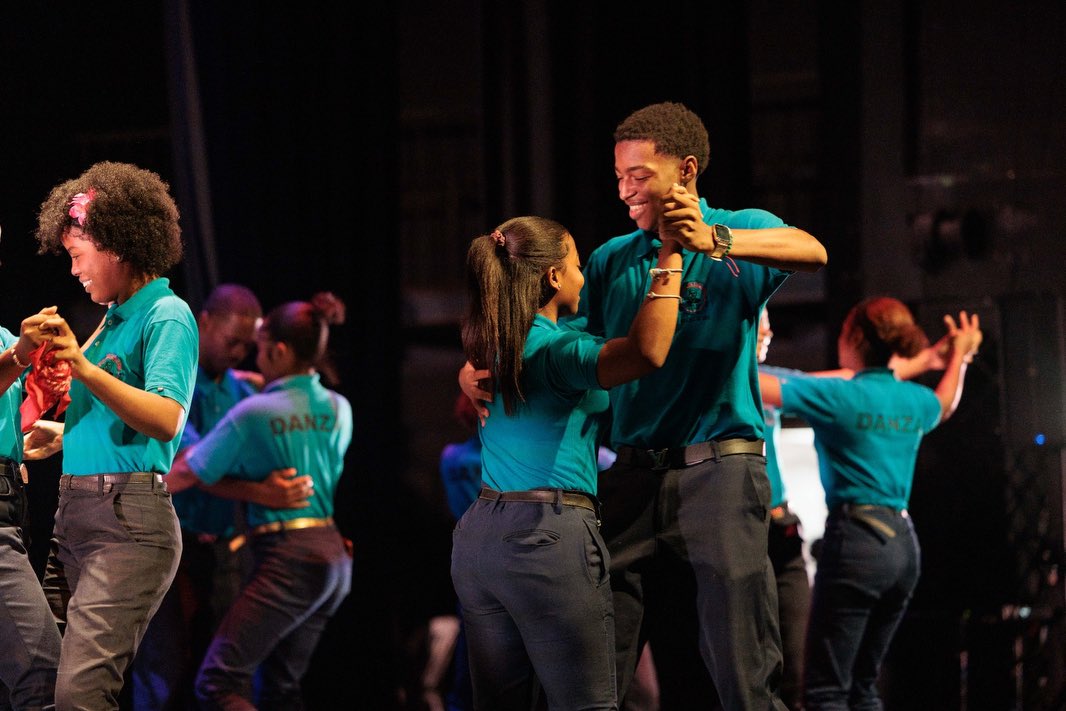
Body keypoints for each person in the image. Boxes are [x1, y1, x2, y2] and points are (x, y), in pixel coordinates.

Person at [462, 101, 827, 708]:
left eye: (638, 175)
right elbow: (544, 342)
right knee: (596, 660)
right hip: (632, 472)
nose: (624, 190)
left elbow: (812, 251)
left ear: (685, 171)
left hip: (720, 468)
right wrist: (474, 367)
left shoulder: (737, 230)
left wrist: (712, 240)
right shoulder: (611, 259)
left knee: (741, 667)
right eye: (618, 177)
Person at [452, 215, 683, 710]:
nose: (583, 276)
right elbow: (646, 353)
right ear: (554, 276)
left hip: (480, 537)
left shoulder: (494, 341)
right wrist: (671, 261)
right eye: (577, 265)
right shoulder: (557, 351)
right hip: (545, 536)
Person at [30, 161, 199, 710]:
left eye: (78, 254)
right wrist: (63, 433)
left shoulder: (166, 314)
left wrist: (82, 367)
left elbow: (165, 418)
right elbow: (116, 411)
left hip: (125, 522)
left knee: (80, 695)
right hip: (77, 515)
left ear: (115, 246)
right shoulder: (113, 318)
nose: (74, 270)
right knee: (38, 686)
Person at [758, 297, 982, 709]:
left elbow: (758, 384)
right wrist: (958, 360)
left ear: (855, 338)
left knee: (826, 691)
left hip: (857, 541)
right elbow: (945, 402)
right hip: (903, 548)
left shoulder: (838, 396)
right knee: (863, 686)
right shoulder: (912, 399)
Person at [165, 293, 353, 710]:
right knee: (281, 687)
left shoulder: (254, 411)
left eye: (258, 348)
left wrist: (137, 485)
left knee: (217, 683)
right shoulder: (340, 407)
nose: (250, 358)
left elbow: (190, 470)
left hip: (286, 557)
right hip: (334, 555)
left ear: (279, 351)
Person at [131, 283, 314, 710]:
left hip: (226, 548)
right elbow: (186, 467)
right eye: (232, 341)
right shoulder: (173, 384)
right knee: (162, 668)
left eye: (248, 346)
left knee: (224, 670)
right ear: (204, 322)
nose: (239, 352)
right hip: (169, 543)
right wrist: (259, 491)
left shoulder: (245, 392)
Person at [0, 308, 65, 711]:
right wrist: (21, 354)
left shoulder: (5, 335)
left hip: (13, 509)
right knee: (43, 678)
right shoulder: (13, 345)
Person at [755, 308, 811, 711]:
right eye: (760, 320)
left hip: (782, 525)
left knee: (797, 664)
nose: (769, 331)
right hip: (745, 531)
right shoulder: (721, 378)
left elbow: (824, 387)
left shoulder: (767, 380)